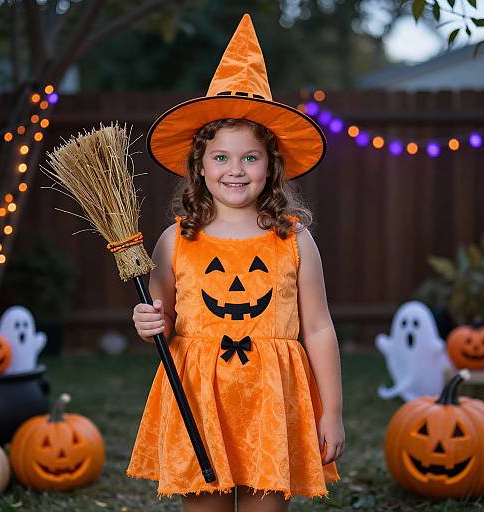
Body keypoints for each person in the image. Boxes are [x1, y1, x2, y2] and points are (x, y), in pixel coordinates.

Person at [127, 13, 344, 512]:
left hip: (273, 401)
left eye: (250, 158)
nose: (235, 170)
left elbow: (318, 328)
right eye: (221, 157)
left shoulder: (294, 240)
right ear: (199, 167)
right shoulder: (175, 240)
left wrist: (331, 411)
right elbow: (162, 321)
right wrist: (145, 322)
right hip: (200, 400)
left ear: (271, 167)